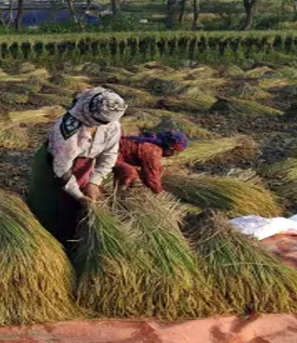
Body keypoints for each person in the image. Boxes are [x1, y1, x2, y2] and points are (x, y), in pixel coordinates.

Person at [26, 87, 127, 248]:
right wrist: (79, 196)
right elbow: (62, 170)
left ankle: (70, 239)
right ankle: (45, 243)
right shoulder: (68, 128)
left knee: (74, 208)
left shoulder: (111, 123)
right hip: (53, 165)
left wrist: (94, 182)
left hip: (83, 165)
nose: (103, 125)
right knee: (48, 206)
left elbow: (109, 155)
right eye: (99, 121)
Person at [113, 130, 189, 194]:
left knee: (158, 170)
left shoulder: (153, 140)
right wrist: (158, 191)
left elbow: (155, 169)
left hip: (120, 154)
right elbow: (152, 177)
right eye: (175, 151)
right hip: (110, 154)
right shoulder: (153, 151)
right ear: (169, 147)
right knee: (130, 173)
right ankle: (119, 195)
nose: (174, 154)